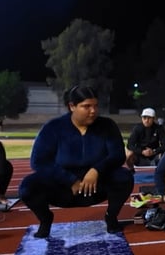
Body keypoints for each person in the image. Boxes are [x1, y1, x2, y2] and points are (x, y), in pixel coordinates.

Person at [18, 84, 134, 238]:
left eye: (95, 106)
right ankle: (45, 220)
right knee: (27, 186)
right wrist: (70, 180)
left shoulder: (107, 126)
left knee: (124, 177)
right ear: (72, 106)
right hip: (62, 187)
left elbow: (117, 155)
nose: (93, 111)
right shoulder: (53, 127)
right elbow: (38, 161)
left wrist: (96, 170)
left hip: (95, 185)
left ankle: (111, 217)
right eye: (86, 106)